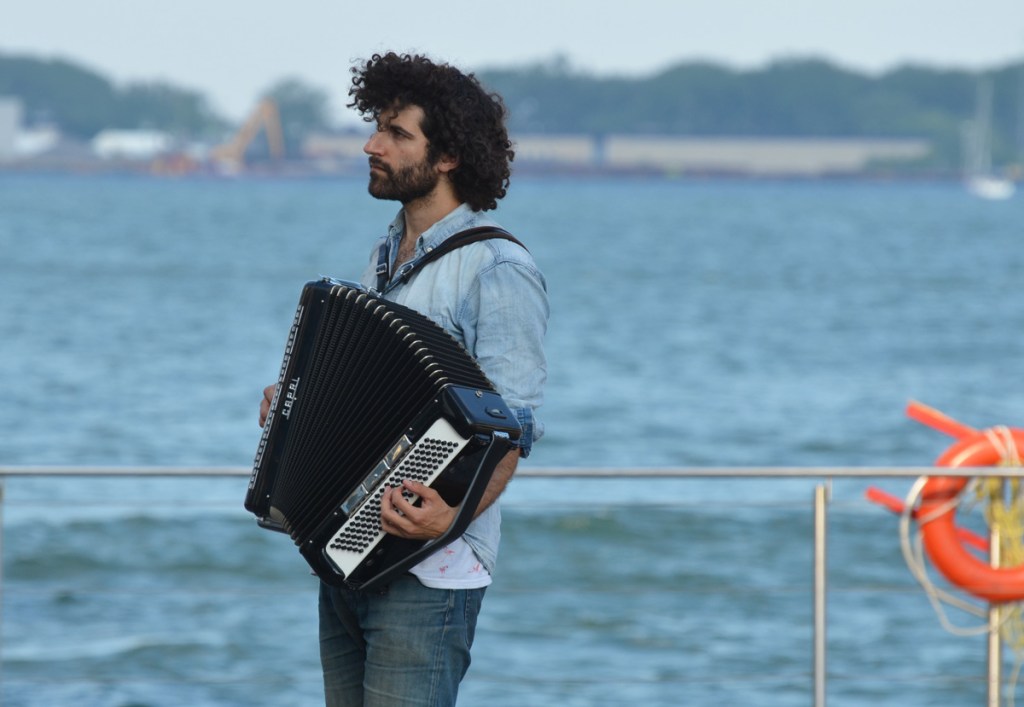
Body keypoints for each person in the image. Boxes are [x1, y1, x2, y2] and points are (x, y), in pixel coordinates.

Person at [258, 52, 548, 706]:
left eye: (395, 132)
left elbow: (514, 427)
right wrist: (299, 405)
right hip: (350, 552)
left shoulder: (498, 268)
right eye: (375, 127)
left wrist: (450, 515)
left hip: (432, 571)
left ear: (446, 157)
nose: (371, 144)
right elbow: (372, 391)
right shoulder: (384, 257)